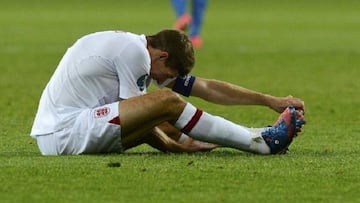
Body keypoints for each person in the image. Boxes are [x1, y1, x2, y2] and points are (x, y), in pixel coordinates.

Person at [30, 29, 306, 156]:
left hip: (66, 132)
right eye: (169, 75)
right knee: (167, 102)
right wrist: (173, 144)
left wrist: (270, 100)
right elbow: (148, 116)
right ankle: (259, 141)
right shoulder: (134, 53)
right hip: (65, 131)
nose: (163, 80)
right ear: (162, 56)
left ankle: (256, 133)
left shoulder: (139, 52)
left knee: (170, 111)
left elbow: (206, 88)